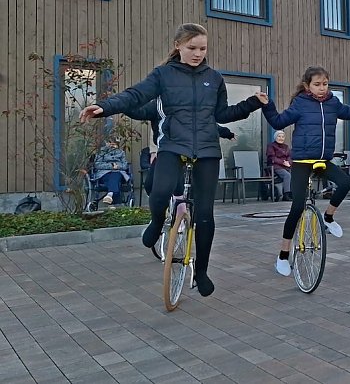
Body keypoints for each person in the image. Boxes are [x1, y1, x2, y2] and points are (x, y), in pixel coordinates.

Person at [79, 23, 266, 297]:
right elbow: (135, 95)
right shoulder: (163, 75)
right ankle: (157, 223)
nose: (198, 53)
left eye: (202, 48)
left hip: (207, 151)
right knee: (160, 190)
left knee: (204, 216)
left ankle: (201, 271)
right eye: (192, 48)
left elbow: (223, 114)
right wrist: (105, 107)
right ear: (178, 45)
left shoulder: (214, 79)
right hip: (173, 146)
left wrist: (252, 103)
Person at [262, 66, 350, 277]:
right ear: (307, 86)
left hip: (323, 159)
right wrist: (267, 105)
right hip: (302, 161)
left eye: (325, 84)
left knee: (346, 184)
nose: (322, 89)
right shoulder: (300, 103)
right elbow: (278, 121)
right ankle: (283, 255)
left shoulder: (333, 103)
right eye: (317, 85)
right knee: (297, 207)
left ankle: (328, 217)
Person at [91, 136, 130, 205]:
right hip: (104, 173)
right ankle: (113, 198)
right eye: (110, 143)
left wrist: (118, 166)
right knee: (112, 178)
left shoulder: (121, 152)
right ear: (107, 143)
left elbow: (125, 165)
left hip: (119, 172)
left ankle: (110, 194)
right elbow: (97, 165)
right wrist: (111, 166)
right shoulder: (101, 152)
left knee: (115, 175)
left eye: (114, 144)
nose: (112, 145)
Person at [266, 130, 293, 202]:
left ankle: (294, 193)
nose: (281, 138)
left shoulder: (286, 147)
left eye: (283, 137)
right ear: (275, 137)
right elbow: (272, 157)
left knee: (295, 173)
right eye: (279, 136)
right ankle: (286, 195)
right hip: (275, 166)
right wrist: (283, 163)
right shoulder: (271, 146)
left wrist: (289, 163)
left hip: (286, 166)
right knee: (287, 175)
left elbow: (290, 156)